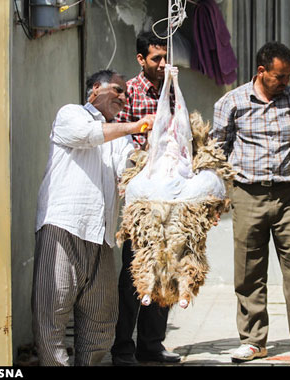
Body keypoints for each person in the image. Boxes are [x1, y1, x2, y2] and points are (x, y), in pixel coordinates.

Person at [211, 41, 290, 363]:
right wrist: (221, 191)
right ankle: (252, 340)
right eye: (280, 76)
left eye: (288, 75)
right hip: (248, 195)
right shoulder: (231, 102)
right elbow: (216, 149)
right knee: (248, 272)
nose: (285, 81)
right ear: (261, 71)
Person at [31, 70, 155, 366]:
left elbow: (129, 170)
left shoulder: (119, 137)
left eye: (126, 93)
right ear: (95, 90)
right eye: (117, 90)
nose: (123, 98)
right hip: (63, 227)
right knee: (52, 313)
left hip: (101, 237)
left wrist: (155, 150)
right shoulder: (71, 114)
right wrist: (135, 126)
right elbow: (87, 136)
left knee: (100, 320)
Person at [110, 31, 180, 365]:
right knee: (134, 270)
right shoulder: (131, 92)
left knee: (166, 266)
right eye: (156, 58)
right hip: (140, 196)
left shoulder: (172, 90)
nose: (163, 64)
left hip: (169, 192)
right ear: (141, 59)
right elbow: (120, 142)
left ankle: (151, 344)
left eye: (166, 57)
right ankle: (123, 345)